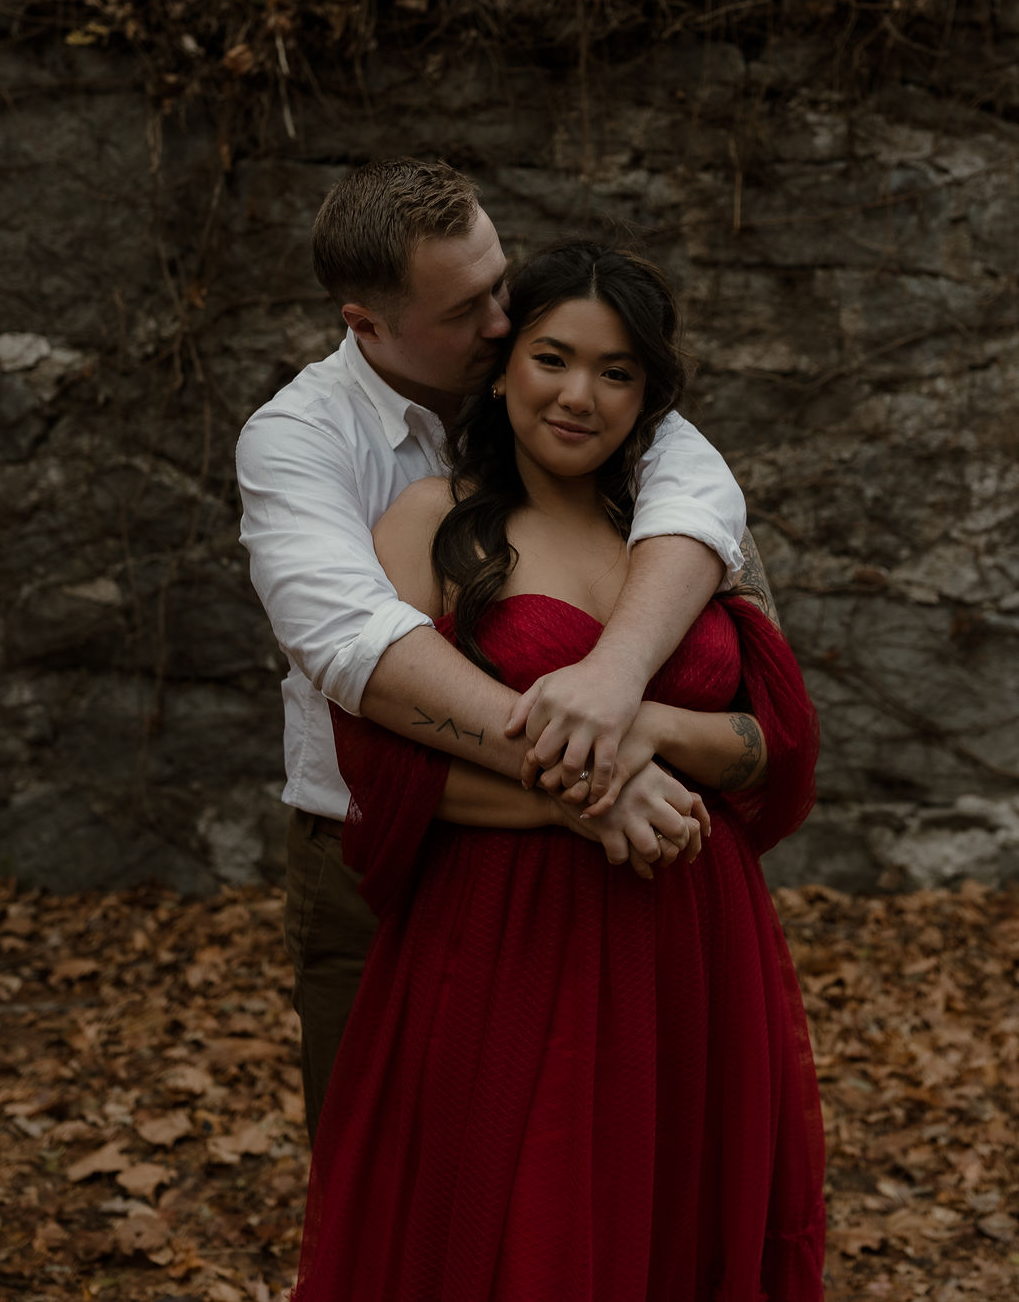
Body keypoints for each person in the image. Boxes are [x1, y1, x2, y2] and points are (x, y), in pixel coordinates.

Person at [291, 241, 825, 1301]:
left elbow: (775, 744)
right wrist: (596, 798)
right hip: (500, 937)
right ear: (500, 366)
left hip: (691, 934)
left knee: (676, 1221)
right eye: (552, 357)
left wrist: (653, 730)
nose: (579, 394)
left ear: (648, 395)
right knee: (518, 1235)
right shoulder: (428, 523)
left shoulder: (682, 537)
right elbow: (390, 771)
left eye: (616, 370)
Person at [236, 159, 750, 1143]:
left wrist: (611, 677)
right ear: (366, 324)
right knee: (388, 1170)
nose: (504, 324)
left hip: (590, 880)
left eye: (500, 282)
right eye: (468, 307)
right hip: (378, 849)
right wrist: (593, 777)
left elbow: (697, 494)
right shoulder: (298, 439)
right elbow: (354, 645)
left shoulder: (556, 379)